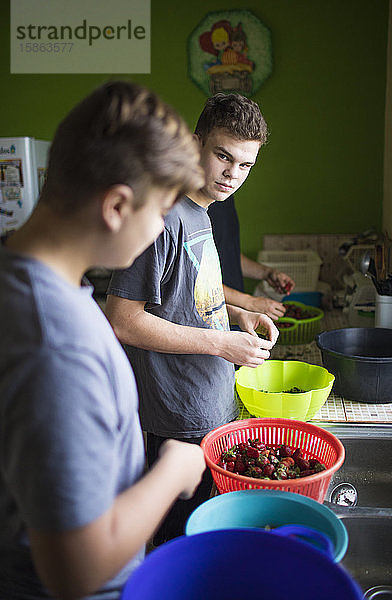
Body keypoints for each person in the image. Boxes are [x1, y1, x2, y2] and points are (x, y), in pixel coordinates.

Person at [0, 80, 207, 600]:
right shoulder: (58, 346)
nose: (160, 231)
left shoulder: (21, 274)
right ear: (116, 206)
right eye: (160, 214)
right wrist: (172, 469)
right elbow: (76, 571)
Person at [105, 92, 279, 545]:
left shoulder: (201, 212)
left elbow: (191, 294)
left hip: (208, 411)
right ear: (194, 143)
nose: (232, 175)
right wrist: (222, 345)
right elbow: (123, 320)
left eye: (246, 165)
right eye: (223, 156)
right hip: (175, 424)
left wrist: (236, 313)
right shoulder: (160, 217)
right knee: (176, 554)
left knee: (206, 548)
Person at [208, 196, 295, 321]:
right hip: (209, 320)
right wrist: (249, 302)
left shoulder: (224, 198)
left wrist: (266, 273)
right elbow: (194, 279)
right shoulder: (188, 210)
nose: (231, 175)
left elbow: (227, 256)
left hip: (234, 318)